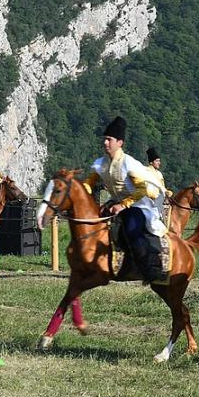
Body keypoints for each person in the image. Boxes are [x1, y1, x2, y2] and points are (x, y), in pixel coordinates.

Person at [83, 117, 167, 282]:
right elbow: (89, 182)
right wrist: (82, 194)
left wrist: (123, 205)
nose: (106, 143)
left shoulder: (129, 163)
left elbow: (142, 189)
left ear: (119, 142)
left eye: (109, 139)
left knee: (132, 228)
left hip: (139, 204)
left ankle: (150, 268)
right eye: (105, 139)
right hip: (116, 203)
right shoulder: (100, 163)